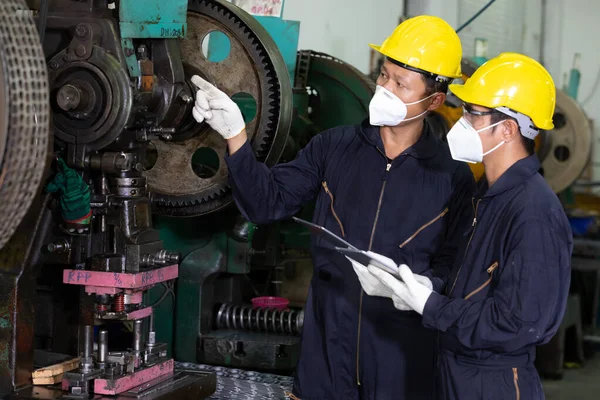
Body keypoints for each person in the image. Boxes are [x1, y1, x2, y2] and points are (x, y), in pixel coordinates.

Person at [191, 15, 475, 399]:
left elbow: (455, 267)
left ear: (434, 100)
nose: (385, 89)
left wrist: (424, 289)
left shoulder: (451, 177)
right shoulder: (334, 147)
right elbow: (265, 204)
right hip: (327, 342)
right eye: (384, 76)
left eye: (401, 84)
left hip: (401, 352)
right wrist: (237, 137)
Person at [362, 53, 573, 400]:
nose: (460, 122)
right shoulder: (488, 195)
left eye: (472, 114)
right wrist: (422, 288)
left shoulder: (533, 212)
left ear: (507, 128)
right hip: (457, 369)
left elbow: (517, 323)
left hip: (494, 382)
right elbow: (475, 286)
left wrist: (431, 306)